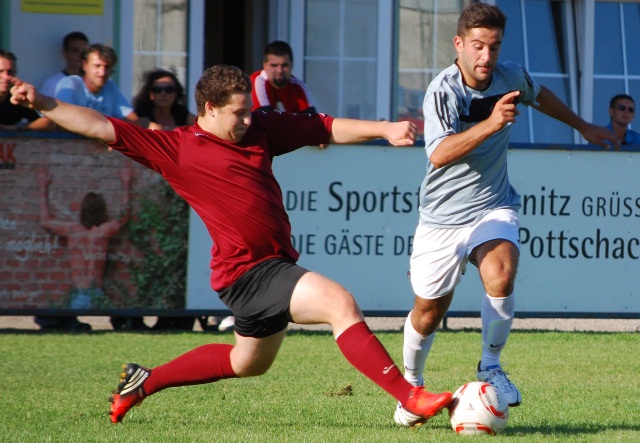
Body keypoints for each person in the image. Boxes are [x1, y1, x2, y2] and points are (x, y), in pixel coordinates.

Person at [10, 64, 453, 425]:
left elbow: (324, 126)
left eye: (249, 112)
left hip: (265, 268)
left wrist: (384, 128)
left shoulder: (260, 128)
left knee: (248, 363)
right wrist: (42, 102)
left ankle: (144, 381)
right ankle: (409, 397)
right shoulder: (177, 148)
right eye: (238, 113)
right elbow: (99, 126)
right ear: (209, 108)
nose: (246, 120)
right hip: (250, 272)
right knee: (340, 303)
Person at [393, 3, 618, 428]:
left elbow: (539, 94)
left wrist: (582, 126)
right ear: (459, 44)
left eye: (494, 46)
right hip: (441, 217)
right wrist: (492, 123)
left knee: (501, 273)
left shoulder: (510, 77)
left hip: (492, 204)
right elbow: (438, 154)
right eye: (478, 46)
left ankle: (491, 366)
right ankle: (411, 386)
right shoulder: (443, 91)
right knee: (429, 311)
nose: (486, 56)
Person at [34, 164, 132, 331]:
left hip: (79, 292)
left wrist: (43, 188)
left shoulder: (73, 231)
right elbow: (124, 217)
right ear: (102, 211)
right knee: (118, 322)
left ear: (82, 211)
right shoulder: (102, 232)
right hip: (96, 292)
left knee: (61, 324)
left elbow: (45, 221)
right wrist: (126, 183)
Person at [54, 43, 139, 123]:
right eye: (97, 66)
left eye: (107, 67)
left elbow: (133, 120)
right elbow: (62, 120)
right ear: (84, 65)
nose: (102, 73)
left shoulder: (110, 87)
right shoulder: (70, 84)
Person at [250, 40, 317, 114]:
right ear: (264, 66)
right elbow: (265, 118)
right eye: (274, 65)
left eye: (284, 65)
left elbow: (312, 118)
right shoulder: (257, 81)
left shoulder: (298, 86)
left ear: (291, 65)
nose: (279, 70)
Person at [0, 50, 54, 131]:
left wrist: (18, 128)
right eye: (0, 71)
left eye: (10, 72)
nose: (6, 77)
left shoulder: (17, 98)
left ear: (15, 73)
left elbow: (48, 122)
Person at [40, 31, 89, 97]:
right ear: (65, 52)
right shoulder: (53, 84)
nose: (80, 55)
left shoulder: (94, 84)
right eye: (75, 51)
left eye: (84, 52)